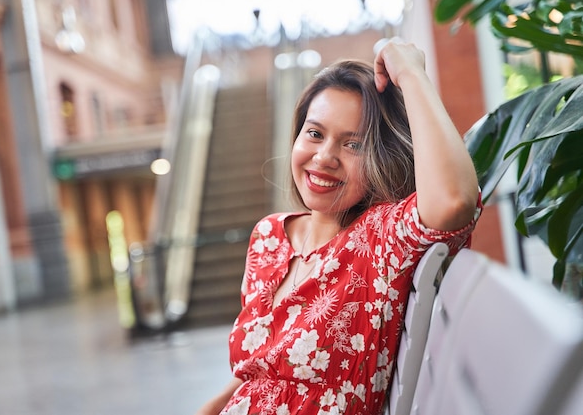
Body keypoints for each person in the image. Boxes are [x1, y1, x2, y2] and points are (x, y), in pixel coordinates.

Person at [195, 39, 482, 415]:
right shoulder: (268, 237)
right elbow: (260, 367)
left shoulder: (380, 239)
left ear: (381, 157)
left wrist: (410, 73)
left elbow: (453, 200)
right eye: (314, 133)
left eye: (354, 145)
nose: (324, 157)